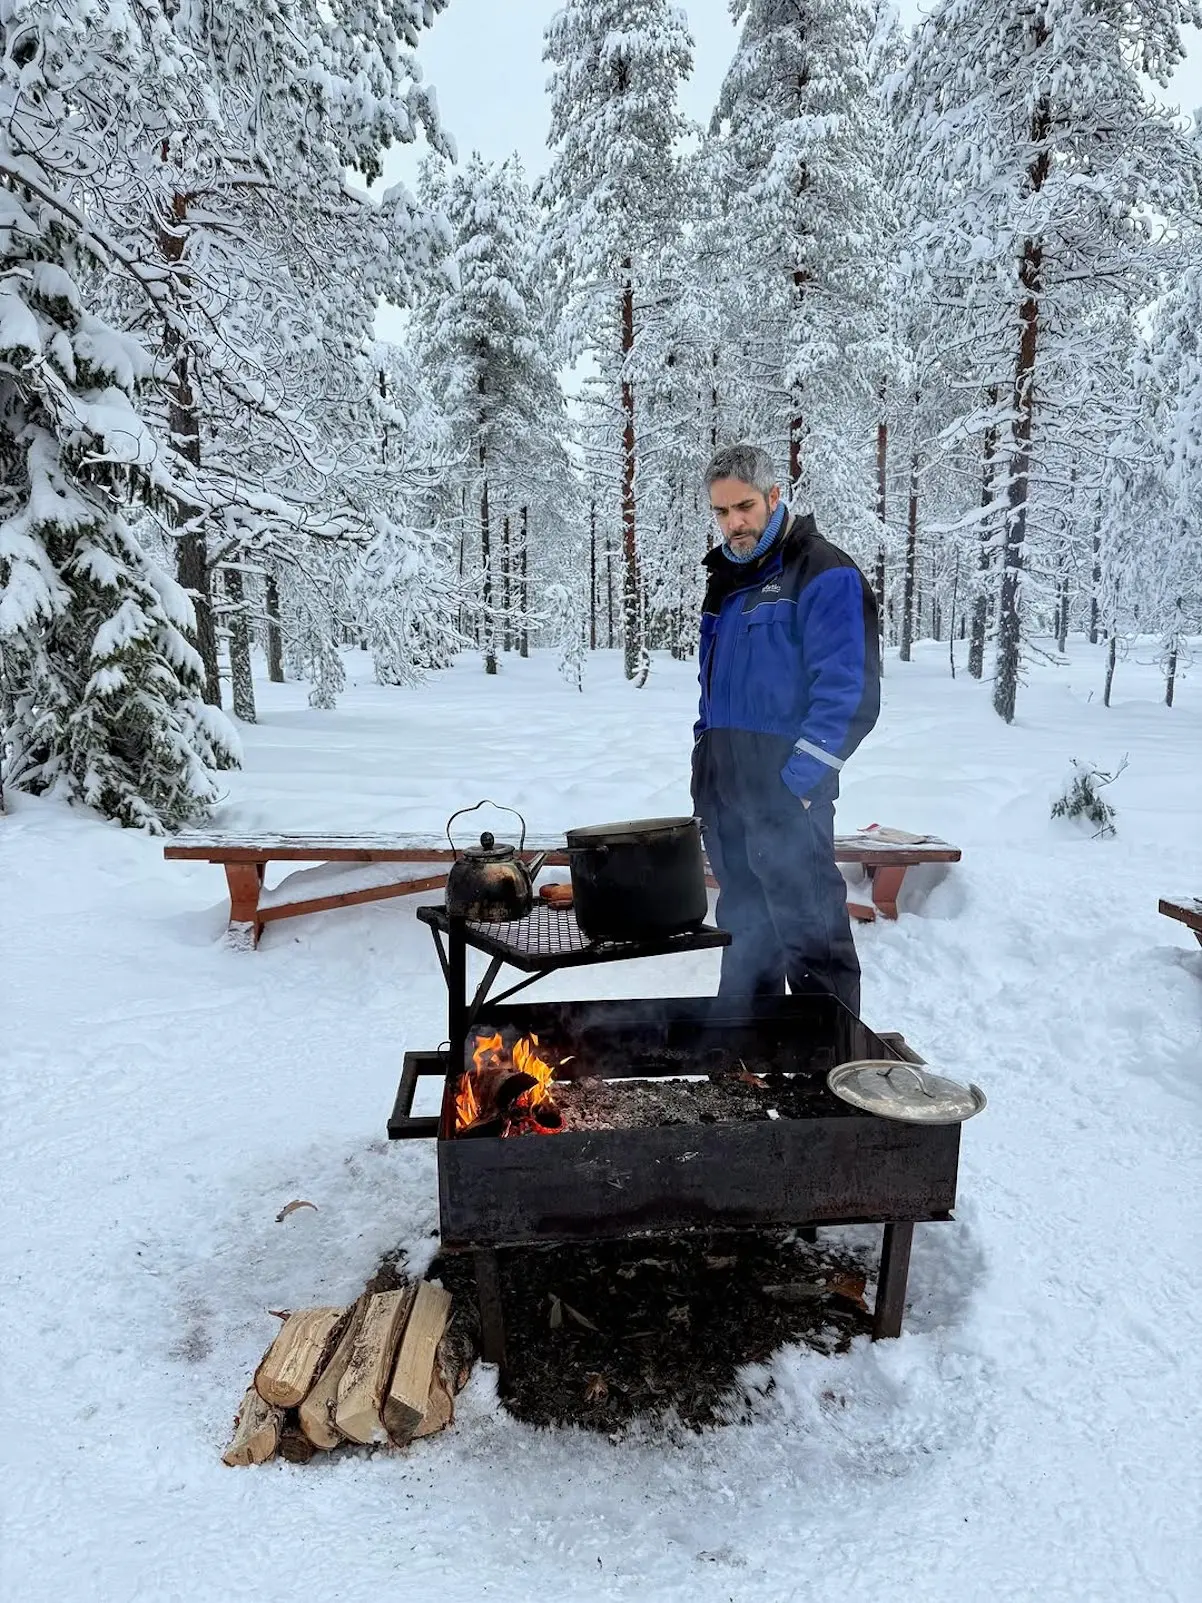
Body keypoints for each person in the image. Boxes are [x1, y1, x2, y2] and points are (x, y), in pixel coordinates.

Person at [691, 442, 880, 1016]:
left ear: (775, 497)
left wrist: (797, 785)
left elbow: (850, 696)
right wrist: (706, 762)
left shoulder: (823, 571)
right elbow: (716, 691)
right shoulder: (726, 578)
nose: (734, 523)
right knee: (746, 930)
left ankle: (829, 1068)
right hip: (727, 794)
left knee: (810, 934)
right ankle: (744, 1063)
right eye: (721, 512)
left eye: (744, 507)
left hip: (786, 796)